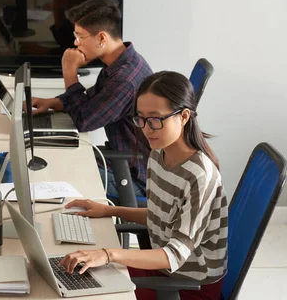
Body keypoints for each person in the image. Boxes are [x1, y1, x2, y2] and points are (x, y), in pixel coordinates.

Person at [59, 71, 228, 300]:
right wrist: (109, 210)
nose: (147, 129)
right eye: (141, 118)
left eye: (156, 119)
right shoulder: (159, 153)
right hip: (162, 270)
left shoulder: (200, 176)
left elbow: (173, 255)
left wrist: (108, 254)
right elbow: (161, 217)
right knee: (69, 273)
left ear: (184, 116)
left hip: (187, 286)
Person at [32, 0, 152, 197]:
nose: (75, 43)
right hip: (121, 160)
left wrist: (69, 70)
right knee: (51, 155)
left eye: (80, 36)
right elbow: (91, 100)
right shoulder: (121, 61)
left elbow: (84, 120)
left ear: (102, 38)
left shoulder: (124, 80)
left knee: (49, 172)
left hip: (133, 177)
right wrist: (52, 102)